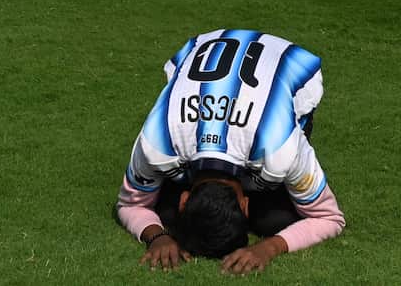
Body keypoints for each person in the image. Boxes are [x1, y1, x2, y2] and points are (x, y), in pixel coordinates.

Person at [115, 30, 346, 273]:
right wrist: (157, 236)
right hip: (204, 48)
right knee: (269, 218)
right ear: (245, 206)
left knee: (273, 222)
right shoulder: (159, 138)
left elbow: (329, 217)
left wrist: (269, 247)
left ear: (185, 200)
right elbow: (129, 204)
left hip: (291, 62)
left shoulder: (280, 148)